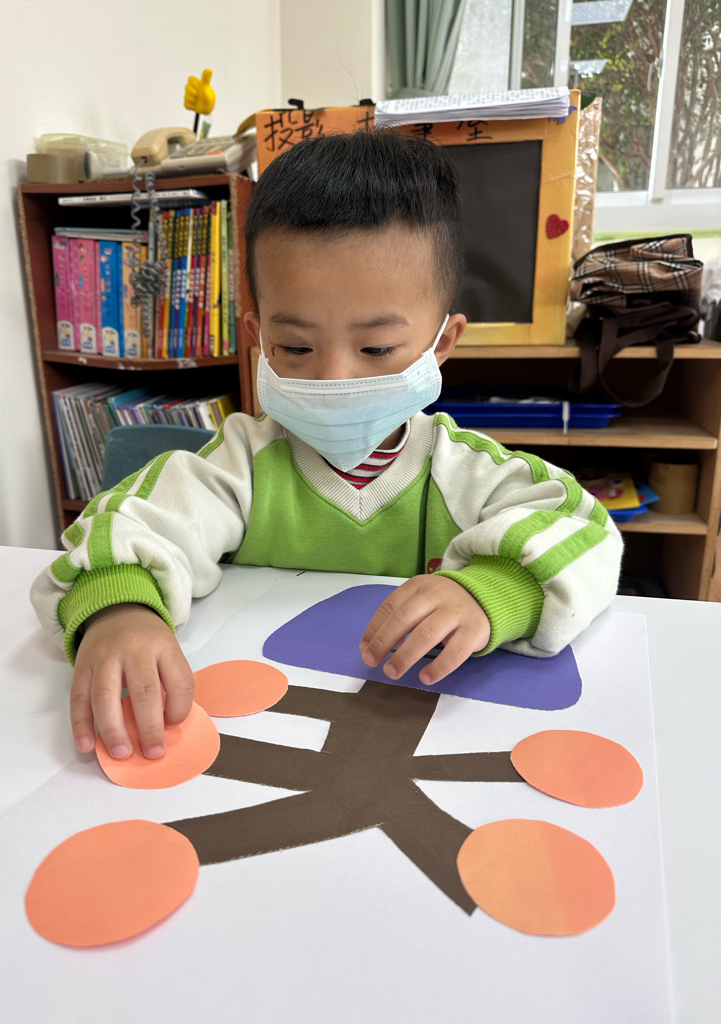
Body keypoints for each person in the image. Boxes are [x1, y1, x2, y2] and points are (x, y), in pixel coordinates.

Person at [31, 128, 622, 763]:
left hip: (416, 735)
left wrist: (495, 591)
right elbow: (124, 526)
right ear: (259, 337)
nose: (334, 377)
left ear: (442, 343)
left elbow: (584, 533)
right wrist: (119, 612)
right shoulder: (239, 465)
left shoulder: (466, 471)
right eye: (296, 347)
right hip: (263, 732)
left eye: (376, 348)